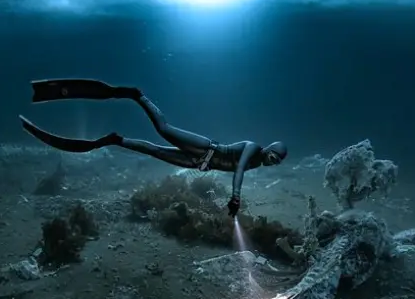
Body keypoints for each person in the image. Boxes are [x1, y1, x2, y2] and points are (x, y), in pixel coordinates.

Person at [18, 78, 288, 217]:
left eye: (277, 161)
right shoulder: (253, 149)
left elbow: (237, 171)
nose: (273, 161)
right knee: (163, 129)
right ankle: (138, 95)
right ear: (270, 148)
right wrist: (237, 196)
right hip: (208, 149)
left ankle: (116, 140)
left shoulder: (259, 161)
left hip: (199, 164)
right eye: (274, 156)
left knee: (155, 151)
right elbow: (238, 168)